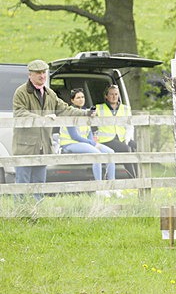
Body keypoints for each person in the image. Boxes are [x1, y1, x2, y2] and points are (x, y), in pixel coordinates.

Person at [12, 59, 94, 202]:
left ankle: (37, 212)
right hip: (25, 146)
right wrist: (43, 118)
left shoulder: (50, 93)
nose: (42, 76)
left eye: (44, 72)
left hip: (43, 145)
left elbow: (65, 109)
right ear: (30, 75)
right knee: (22, 181)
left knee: (39, 182)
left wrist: (86, 113)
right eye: (38, 73)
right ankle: (20, 212)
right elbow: (20, 113)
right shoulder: (21, 92)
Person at [60, 88, 120, 197]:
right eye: (78, 97)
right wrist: (92, 144)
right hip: (70, 143)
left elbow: (88, 132)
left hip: (83, 143)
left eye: (82, 97)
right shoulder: (69, 113)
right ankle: (99, 188)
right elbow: (74, 136)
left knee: (111, 152)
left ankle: (112, 187)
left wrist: (92, 141)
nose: (81, 99)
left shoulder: (86, 112)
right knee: (96, 154)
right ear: (72, 100)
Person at [95, 84, 137, 179]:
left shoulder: (125, 109)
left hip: (123, 138)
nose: (114, 97)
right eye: (111, 94)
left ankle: (140, 176)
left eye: (116, 94)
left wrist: (127, 139)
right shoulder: (99, 108)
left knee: (137, 147)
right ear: (106, 96)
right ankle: (133, 178)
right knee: (125, 149)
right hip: (106, 139)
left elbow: (130, 126)